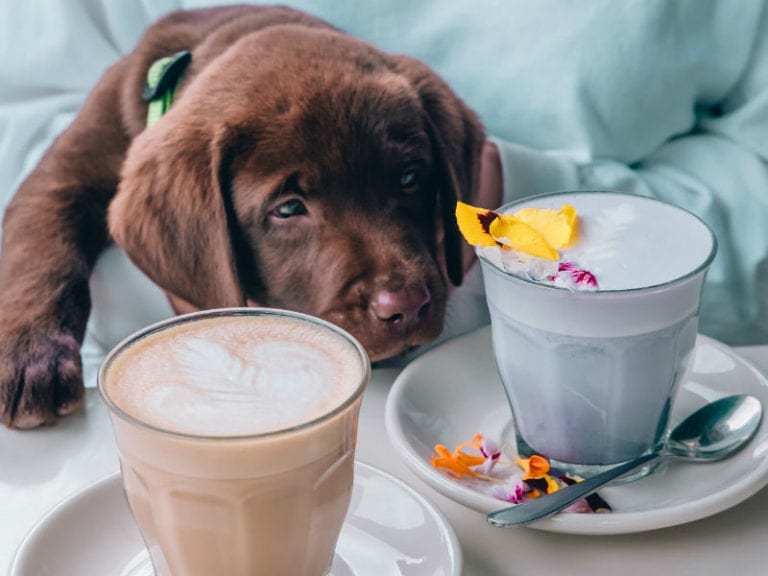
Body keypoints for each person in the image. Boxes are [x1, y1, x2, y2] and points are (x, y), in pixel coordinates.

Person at [1, 0, 767, 386]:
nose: (397, 292)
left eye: (407, 178)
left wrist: (506, 211)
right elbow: (29, 141)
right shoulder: (149, 110)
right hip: (189, 404)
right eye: (292, 205)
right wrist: (197, 290)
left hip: (579, 395)